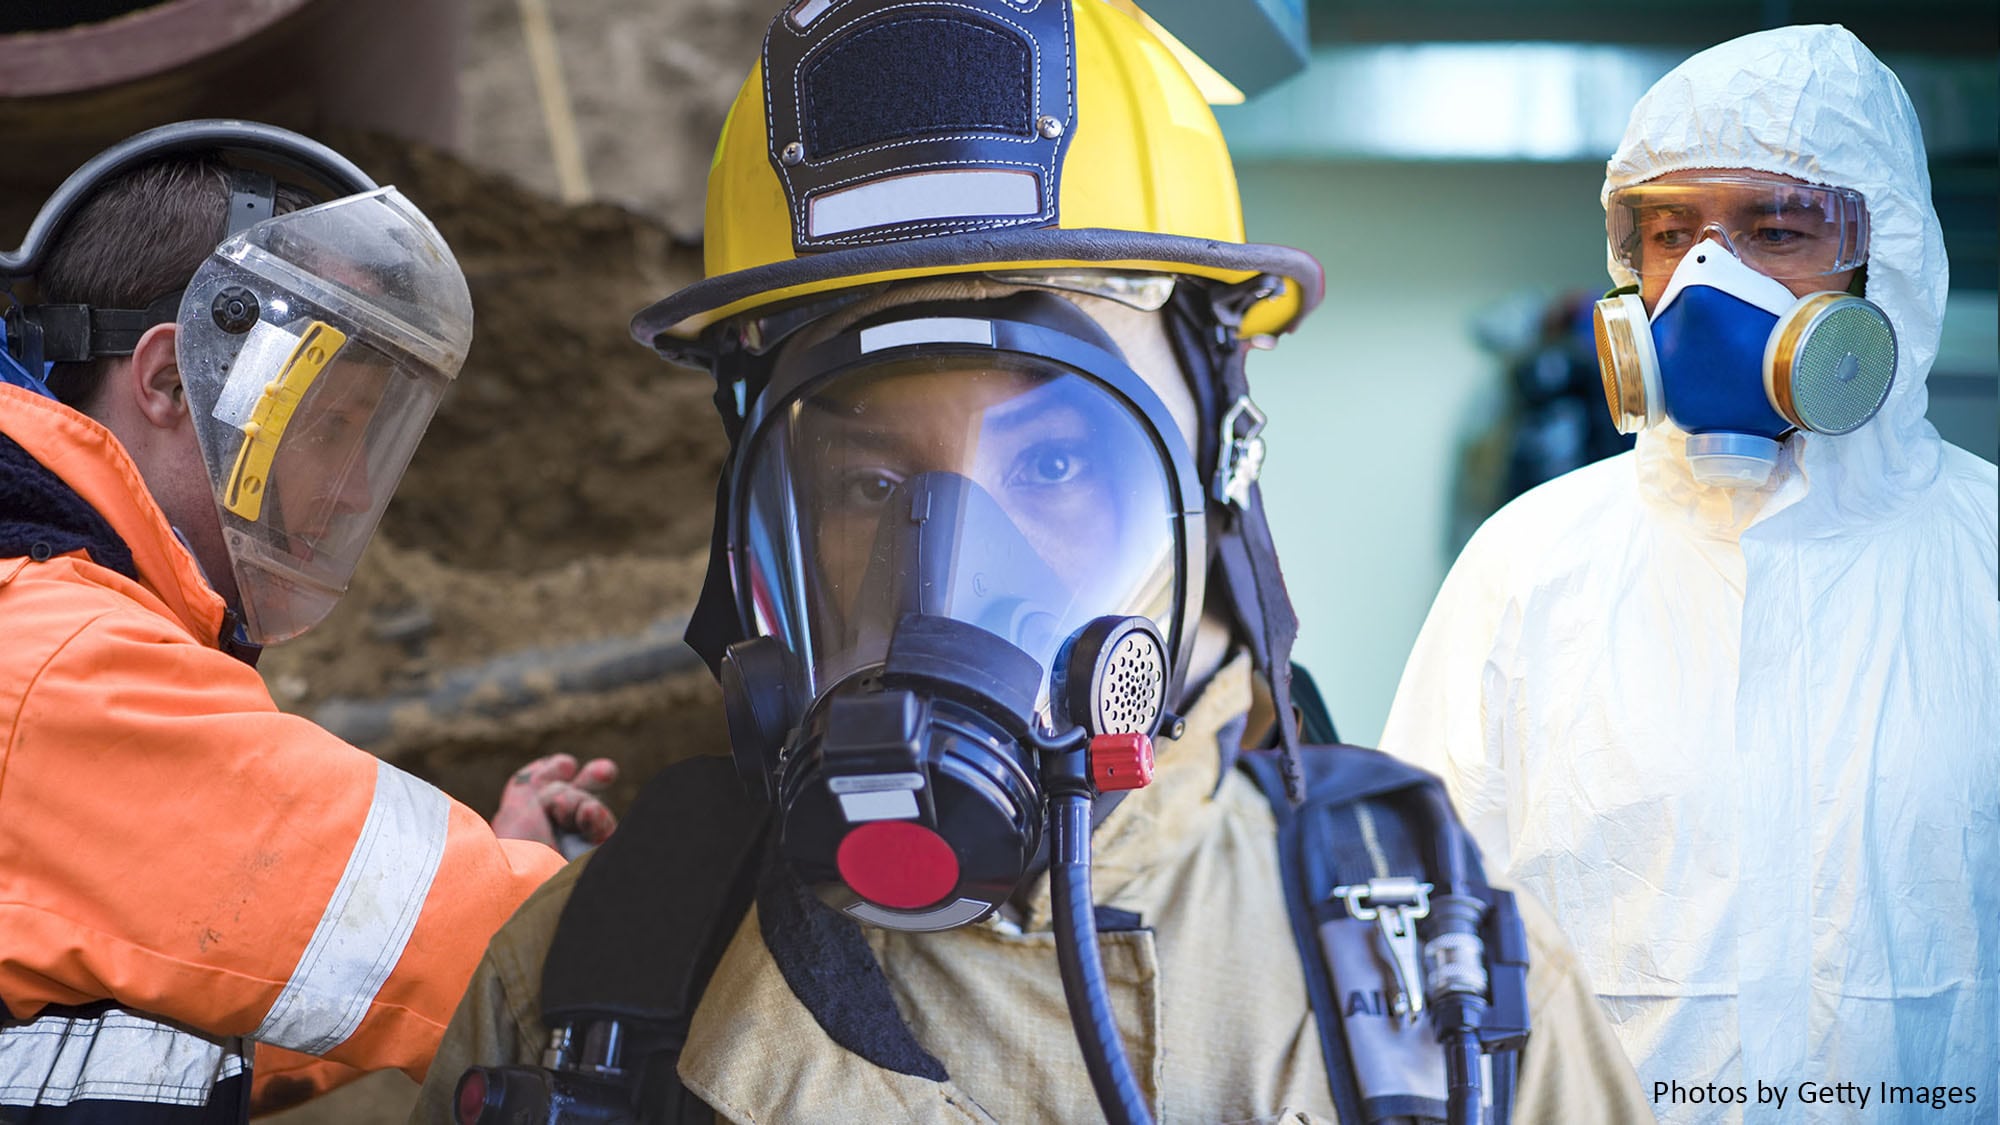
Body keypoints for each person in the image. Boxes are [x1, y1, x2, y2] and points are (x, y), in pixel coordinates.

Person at [413, 4, 1654, 1122]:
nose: (948, 566)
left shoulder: (1441, 992)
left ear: (1214, 470)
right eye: (867, 483)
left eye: (1052, 468)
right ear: (755, 521)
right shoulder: (594, 985)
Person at [1379, 24, 1998, 1120]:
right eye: (1668, 233)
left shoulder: (1980, 557)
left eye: (1772, 229)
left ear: (1881, 255)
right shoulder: (1529, 564)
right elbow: (1407, 941)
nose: (1707, 279)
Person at [0, 122, 619, 1121]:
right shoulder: (57, 667)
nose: (344, 492)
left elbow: (208, 990)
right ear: (166, 380)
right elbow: (492, 957)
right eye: (329, 428)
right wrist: (542, 897)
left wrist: (506, 863)